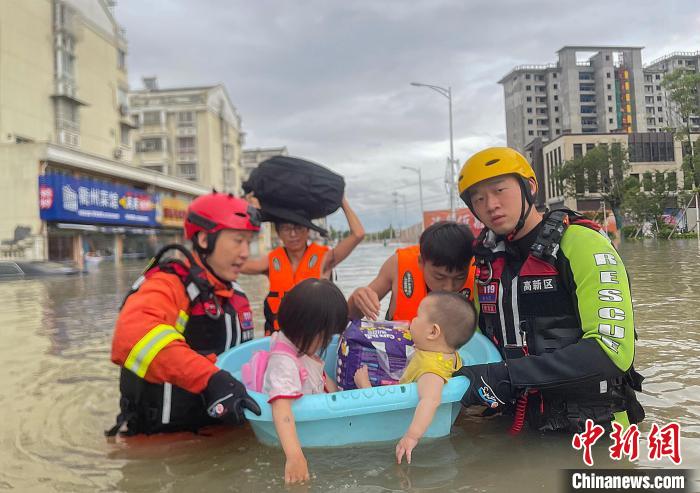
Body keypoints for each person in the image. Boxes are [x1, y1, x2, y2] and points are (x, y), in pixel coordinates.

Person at [453, 147, 645, 433]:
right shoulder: (486, 263)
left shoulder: (582, 243)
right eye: (478, 199)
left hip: (594, 428)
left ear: (529, 187)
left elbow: (612, 352)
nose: (491, 204)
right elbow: (476, 340)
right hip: (517, 422)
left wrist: (507, 375)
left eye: (500, 191)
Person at [107, 192, 263, 436]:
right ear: (203, 239)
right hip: (164, 445)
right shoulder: (168, 284)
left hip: (221, 437)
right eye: (238, 240)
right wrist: (209, 378)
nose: (245, 252)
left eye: (249, 242)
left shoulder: (236, 295)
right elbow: (129, 338)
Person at [354, 292, 476, 464]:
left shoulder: (431, 370)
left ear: (433, 332)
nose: (413, 320)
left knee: (361, 383)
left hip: (396, 420)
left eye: (418, 316)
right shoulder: (448, 354)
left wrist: (411, 436)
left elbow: (430, 400)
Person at [261, 279, 348, 484]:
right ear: (309, 331)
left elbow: (320, 377)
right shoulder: (284, 362)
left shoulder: (294, 342)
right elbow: (281, 409)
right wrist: (295, 457)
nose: (326, 342)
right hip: (307, 435)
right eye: (325, 336)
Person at [243, 196, 364, 335]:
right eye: (286, 229)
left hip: (314, 341)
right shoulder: (270, 262)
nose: (293, 234)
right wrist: (245, 209)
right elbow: (233, 264)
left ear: (307, 230)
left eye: (298, 228)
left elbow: (358, 234)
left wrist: (341, 200)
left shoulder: (325, 259)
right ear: (278, 233)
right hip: (279, 343)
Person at [348, 221, 476, 321]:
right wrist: (356, 298)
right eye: (439, 277)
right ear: (421, 262)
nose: (449, 288)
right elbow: (349, 316)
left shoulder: (478, 270)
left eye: (459, 278)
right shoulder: (396, 265)